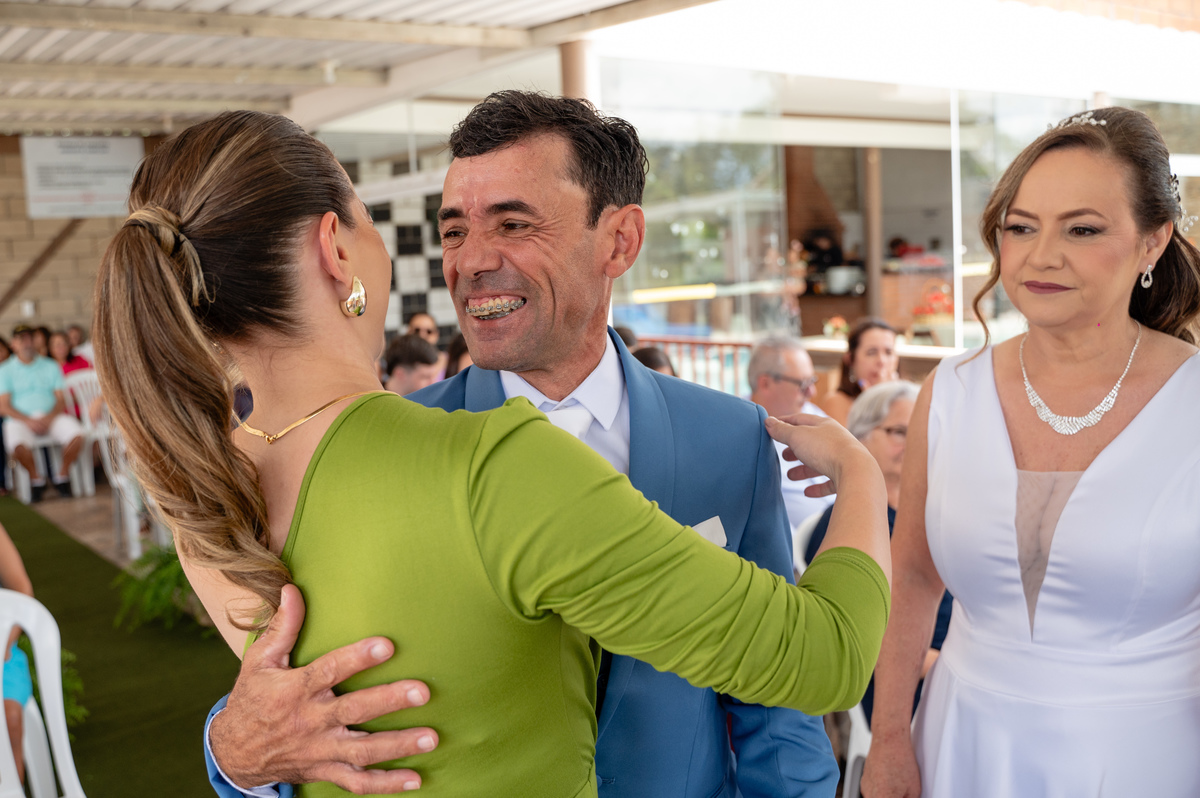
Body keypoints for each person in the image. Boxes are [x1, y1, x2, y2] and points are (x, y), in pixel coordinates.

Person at [90, 109, 892, 798]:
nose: (470, 259)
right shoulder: (487, 463)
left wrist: (232, 751)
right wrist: (858, 473)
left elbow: (778, 723)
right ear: (335, 248)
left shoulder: (206, 491)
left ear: (620, 240)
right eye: (450, 230)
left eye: (513, 224)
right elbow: (824, 657)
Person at [861, 107, 1200, 798]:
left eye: (1082, 229)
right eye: (1021, 227)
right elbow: (913, 577)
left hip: (1145, 757)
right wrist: (890, 738)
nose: (1042, 255)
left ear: (1153, 241)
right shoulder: (950, 392)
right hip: (959, 742)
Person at [802, 381, 951, 725]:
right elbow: (850, 631)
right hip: (902, 688)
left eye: (921, 433)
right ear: (860, 437)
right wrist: (944, 667)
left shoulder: (931, 515)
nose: (915, 443)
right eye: (900, 432)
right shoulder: (849, 523)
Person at [748, 336, 835, 534]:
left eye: (812, 381)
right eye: (803, 384)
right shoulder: (739, 435)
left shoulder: (812, 413)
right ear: (765, 383)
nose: (812, 392)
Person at [0, 325, 85, 500]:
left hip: (51, 416)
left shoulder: (50, 365)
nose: (26, 343)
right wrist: (28, 420)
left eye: (29, 338)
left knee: (77, 434)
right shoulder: (5, 370)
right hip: (20, 419)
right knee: (15, 443)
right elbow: (4, 406)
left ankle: (61, 476)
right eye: (21, 339)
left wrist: (49, 417)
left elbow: (61, 399)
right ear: (13, 344)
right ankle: (36, 480)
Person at [817, 318, 899, 426]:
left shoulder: (906, 400)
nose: (882, 361)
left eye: (888, 352)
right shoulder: (836, 402)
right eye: (871, 352)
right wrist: (874, 401)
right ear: (850, 359)